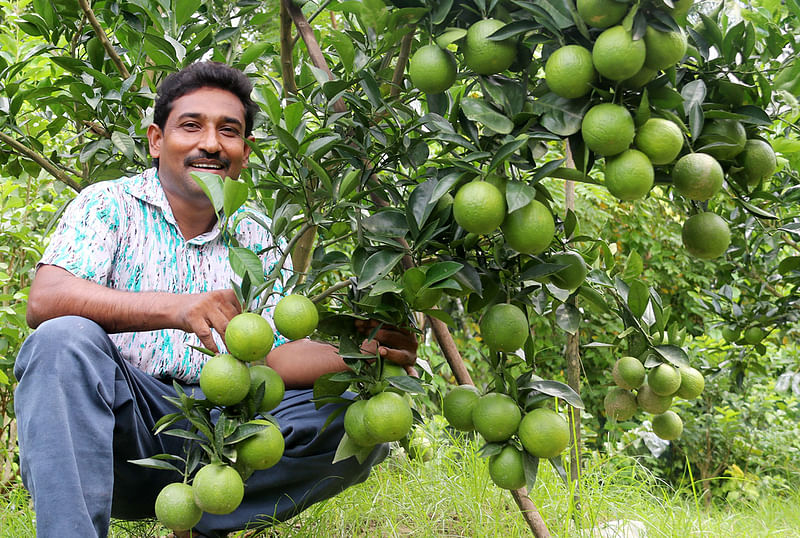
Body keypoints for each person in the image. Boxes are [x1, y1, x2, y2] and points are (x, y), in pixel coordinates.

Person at [14, 61, 418, 538]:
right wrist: (177, 308)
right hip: (126, 421)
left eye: (228, 131)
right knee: (61, 340)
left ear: (244, 152)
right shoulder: (107, 205)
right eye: (191, 126)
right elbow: (47, 300)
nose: (210, 143)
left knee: (355, 411)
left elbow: (273, 354)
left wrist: (362, 356)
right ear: (156, 140)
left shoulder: (257, 234)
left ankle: (206, 510)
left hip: (232, 424)